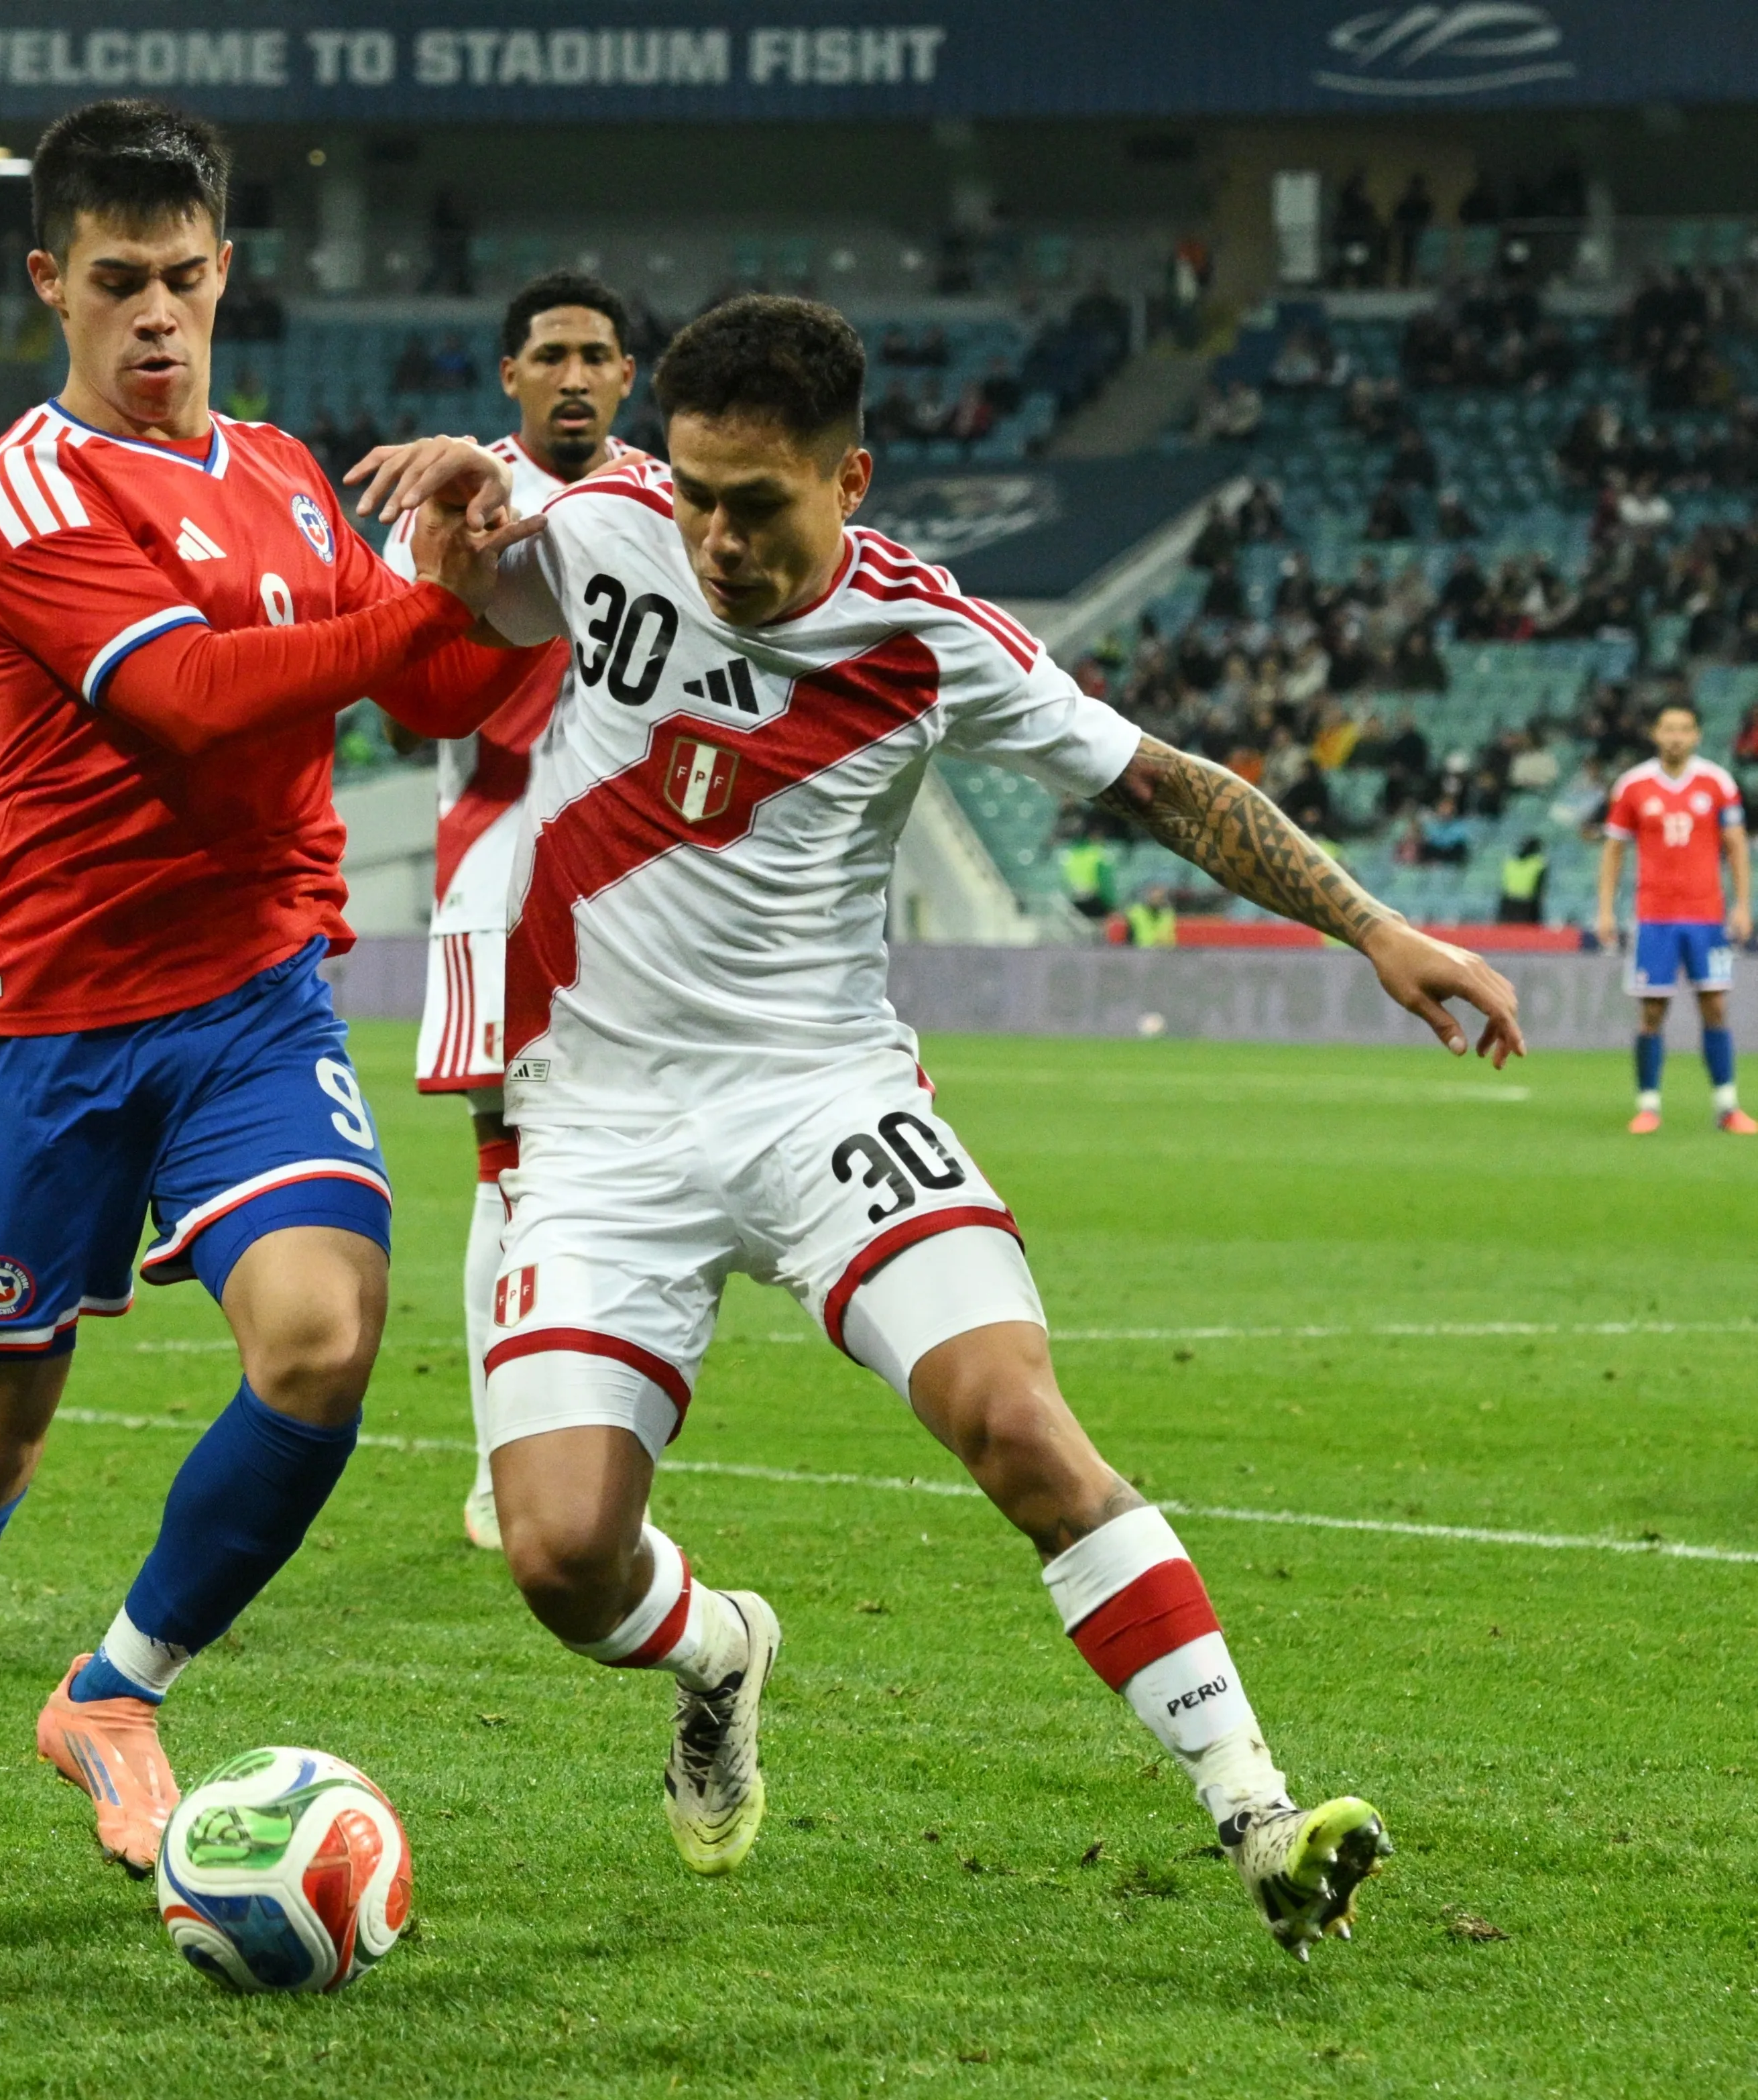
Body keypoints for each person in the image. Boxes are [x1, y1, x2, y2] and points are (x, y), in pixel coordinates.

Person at [410, 292, 1521, 1958]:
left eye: (757, 506)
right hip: (600, 1129)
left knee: (1015, 1419)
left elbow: (1168, 786)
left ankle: (1259, 1813)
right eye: (697, 497)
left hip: (825, 1100)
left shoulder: (931, 640)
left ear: (848, 479)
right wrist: (447, 529)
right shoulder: (607, 523)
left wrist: (1375, 927)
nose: (716, 541)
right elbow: (468, 610)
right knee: (564, 1557)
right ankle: (720, 1651)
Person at [0, 97, 540, 1889]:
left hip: (251, 996)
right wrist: (422, 609)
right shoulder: (26, 491)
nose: (155, 311)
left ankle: (115, 1691)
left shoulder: (286, 473)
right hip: (47, 1009)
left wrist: (494, 558)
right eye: (117, 279)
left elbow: (435, 695)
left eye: (184, 276)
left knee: (323, 1336)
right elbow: (193, 703)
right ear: (49, 280)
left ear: (227, 272)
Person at [386, 268, 645, 1552]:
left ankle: (581, 1453)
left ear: (627, 376)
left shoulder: (667, 502)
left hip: (643, 895)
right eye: (550, 355)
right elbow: (401, 686)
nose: (574, 376)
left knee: (619, 1178)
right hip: (501, 870)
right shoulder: (450, 497)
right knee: (515, 1169)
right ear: (510, 376)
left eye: (595, 355)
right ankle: (507, 1466)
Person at [1595, 700, 1755, 1134]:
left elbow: (1737, 847)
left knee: (1715, 1006)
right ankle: (1648, 1106)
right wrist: (1605, 909)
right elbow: (1613, 851)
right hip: (1655, 917)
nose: (1676, 737)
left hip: (1707, 916)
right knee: (1652, 1011)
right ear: (1655, 734)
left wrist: (1743, 904)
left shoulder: (1718, 782)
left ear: (1697, 735)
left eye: (1684, 729)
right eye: (1668, 728)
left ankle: (1727, 1107)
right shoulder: (1633, 785)